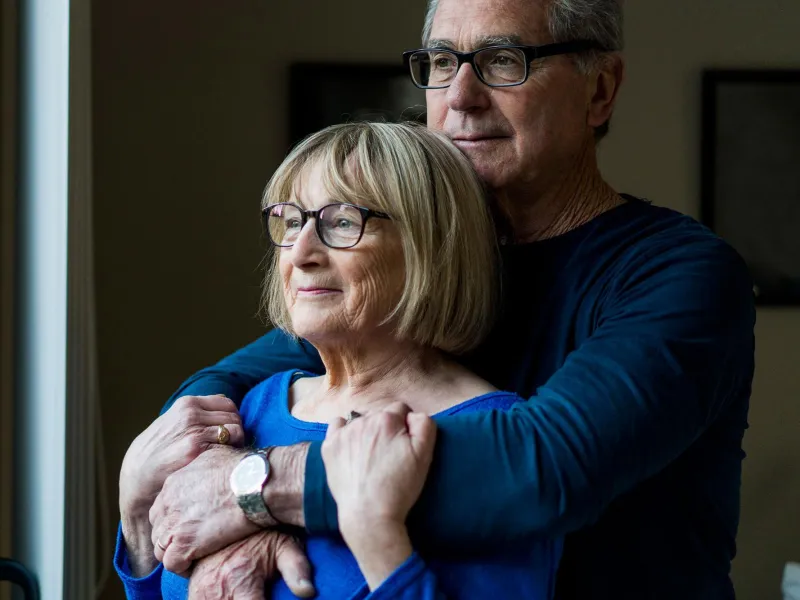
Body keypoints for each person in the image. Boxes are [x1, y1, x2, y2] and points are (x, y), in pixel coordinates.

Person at [141, 0, 756, 598]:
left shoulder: (678, 273)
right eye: (440, 62)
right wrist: (239, 514)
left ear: (600, 91)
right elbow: (208, 398)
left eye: (504, 59)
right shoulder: (411, 263)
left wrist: (254, 490)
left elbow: (542, 470)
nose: (459, 95)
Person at [116, 122, 563, 599]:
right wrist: (136, 511)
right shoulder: (249, 409)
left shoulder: (493, 438)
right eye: (292, 221)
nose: (302, 251)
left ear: (431, 248)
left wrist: (376, 533)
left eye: (342, 222)